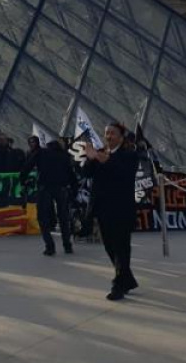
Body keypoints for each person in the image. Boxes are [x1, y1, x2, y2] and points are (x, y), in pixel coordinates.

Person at [82, 123, 139, 301]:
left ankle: (118, 285)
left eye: (112, 133)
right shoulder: (100, 153)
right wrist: (90, 158)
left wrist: (99, 157)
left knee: (121, 247)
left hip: (121, 208)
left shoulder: (130, 155)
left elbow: (123, 173)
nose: (108, 136)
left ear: (121, 137)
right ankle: (127, 279)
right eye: (106, 133)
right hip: (102, 208)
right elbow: (85, 173)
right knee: (109, 247)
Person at [26, 140, 77, 256]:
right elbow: (71, 173)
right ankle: (67, 245)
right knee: (63, 217)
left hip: (45, 188)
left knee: (43, 217)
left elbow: (28, 166)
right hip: (61, 188)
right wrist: (74, 189)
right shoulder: (64, 155)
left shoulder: (41, 153)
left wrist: (23, 178)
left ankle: (50, 246)